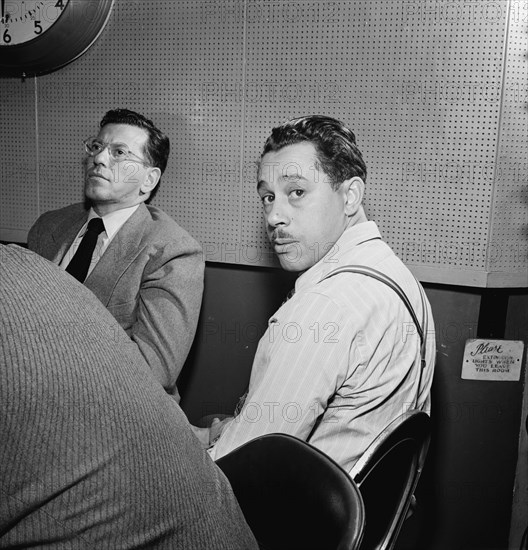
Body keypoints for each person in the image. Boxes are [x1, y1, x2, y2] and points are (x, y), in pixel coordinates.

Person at [200, 115, 436, 473]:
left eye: (297, 192)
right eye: (267, 196)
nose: (274, 216)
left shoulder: (324, 306)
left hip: (296, 523)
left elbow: (236, 473)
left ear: (350, 196)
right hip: (360, 514)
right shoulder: (401, 280)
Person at [0, 243, 257, 550]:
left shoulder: (171, 248)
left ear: (146, 189)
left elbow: (152, 372)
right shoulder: (40, 243)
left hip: (132, 452)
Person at [27, 108, 204, 401]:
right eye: (97, 147)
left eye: (119, 153)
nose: (98, 158)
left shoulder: (173, 251)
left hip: (118, 410)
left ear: (148, 180)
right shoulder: (48, 226)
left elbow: (154, 368)